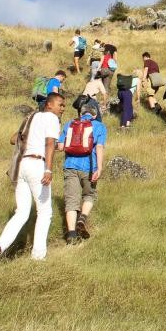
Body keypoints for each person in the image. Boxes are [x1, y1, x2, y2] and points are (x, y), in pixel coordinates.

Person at [0, 93, 66, 263]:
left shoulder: (31, 117)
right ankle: (38, 257)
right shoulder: (51, 118)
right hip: (38, 165)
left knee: (21, 212)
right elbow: (50, 143)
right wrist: (49, 170)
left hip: (22, 166)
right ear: (49, 105)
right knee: (44, 212)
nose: (62, 108)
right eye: (60, 104)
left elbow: (13, 139)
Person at [58, 103, 107, 244]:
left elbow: (61, 147)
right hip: (90, 167)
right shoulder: (99, 126)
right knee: (89, 195)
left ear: (81, 113)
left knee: (71, 200)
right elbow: (99, 147)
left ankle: (72, 234)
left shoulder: (69, 124)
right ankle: (82, 219)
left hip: (70, 166)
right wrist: (99, 167)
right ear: (95, 114)